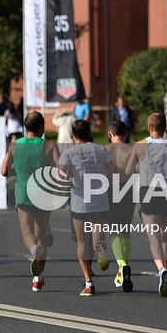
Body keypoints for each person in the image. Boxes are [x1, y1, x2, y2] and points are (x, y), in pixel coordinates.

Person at [57, 117, 113, 296]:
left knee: (82, 241)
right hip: (100, 200)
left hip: (80, 202)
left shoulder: (69, 153)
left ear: (73, 135)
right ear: (88, 133)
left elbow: (61, 175)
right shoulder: (100, 149)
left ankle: (89, 282)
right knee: (98, 240)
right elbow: (112, 170)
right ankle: (101, 249)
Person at [126, 112, 167, 296]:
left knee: (153, 236)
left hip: (148, 189)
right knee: (166, 237)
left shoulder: (140, 145)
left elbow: (128, 169)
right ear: (164, 128)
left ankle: (161, 269)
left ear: (149, 127)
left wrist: (141, 168)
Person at [2, 111, 54, 291]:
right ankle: (38, 279)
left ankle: (33, 252)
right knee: (41, 236)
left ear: (25, 128)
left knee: (27, 233)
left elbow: (3, 170)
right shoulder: (48, 146)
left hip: (23, 193)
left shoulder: (15, 145)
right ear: (41, 127)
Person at [105, 120, 135, 292]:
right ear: (125, 133)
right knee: (126, 230)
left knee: (114, 230)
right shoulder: (132, 149)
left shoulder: (105, 150)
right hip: (128, 189)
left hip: (110, 189)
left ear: (110, 134)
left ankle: (122, 264)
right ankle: (122, 268)